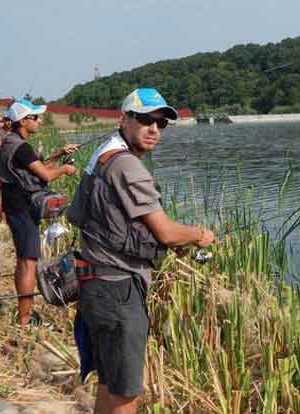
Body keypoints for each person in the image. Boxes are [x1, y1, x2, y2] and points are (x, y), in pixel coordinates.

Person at [70, 88, 214, 414]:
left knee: (108, 383)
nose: (154, 129)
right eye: (146, 120)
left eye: (161, 123)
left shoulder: (104, 155)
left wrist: (162, 242)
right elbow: (164, 230)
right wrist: (197, 235)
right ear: (124, 119)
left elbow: (102, 219)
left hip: (94, 283)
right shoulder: (128, 166)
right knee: (126, 395)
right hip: (118, 289)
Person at [0, 99, 79, 325]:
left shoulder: (13, 142)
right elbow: (47, 176)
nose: (40, 121)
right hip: (20, 208)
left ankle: (25, 315)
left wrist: (60, 153)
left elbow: (36, 169)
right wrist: (66, 169)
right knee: (28, 261)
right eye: (36, 117)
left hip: (18, 206)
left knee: (25, 259)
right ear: (23, 121)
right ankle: (24, 319)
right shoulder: (20, 146)